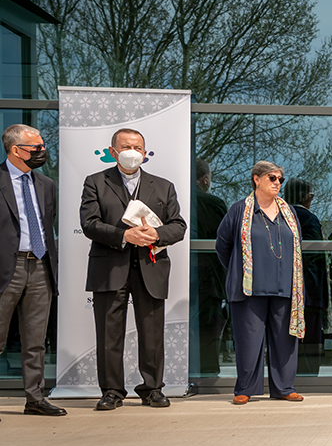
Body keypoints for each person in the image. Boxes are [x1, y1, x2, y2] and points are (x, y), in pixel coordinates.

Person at [81, 128, 187, 410]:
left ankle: (152, 388)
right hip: (109, 267)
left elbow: (178, 226)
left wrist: (156, 235)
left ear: (145, 152)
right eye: (125, 146)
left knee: (152, 333)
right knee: (108, 333)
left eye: (137, 147)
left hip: (150, 268)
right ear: (113, 151)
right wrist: (123, 236)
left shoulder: (163, 186)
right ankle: (112, 391)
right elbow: (89, 223)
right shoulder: (95, 182)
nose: (132, 151)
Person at [216, 161, 306, 405]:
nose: (277, 183)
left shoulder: (290, 212)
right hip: (249, 289)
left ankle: (284, 387)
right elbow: (223, 246)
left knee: (285, 340)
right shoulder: (239, 210)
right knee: (249, 340)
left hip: (285, 287)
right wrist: (240, 269)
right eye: (272, 178)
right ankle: (245, 388)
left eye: (280, 179)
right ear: (256, 179)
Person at [0, 124, 64, 418]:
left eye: (42, 147)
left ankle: (35, 398)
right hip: (5, 269)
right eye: (35, 147)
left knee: (35, 340)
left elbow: (46, 228)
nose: (42, 152)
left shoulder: (46, 184)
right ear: (16, 150)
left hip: (40, 266)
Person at [285, 178, 329, 374]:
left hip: (284, 289)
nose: (311, 200)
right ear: (303, 197)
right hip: (308, 291)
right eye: (311, 196)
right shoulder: (308, 218)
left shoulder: (278, 216)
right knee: (309, 339)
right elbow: (312, 253)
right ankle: (308, 376)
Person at [191, 158, 228, 375]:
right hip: (209, 278)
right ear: (205, 179)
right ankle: (207, 372)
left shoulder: (175, 200)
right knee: (208, 329)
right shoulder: (213, 203)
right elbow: (227, 243)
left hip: (182, 277)